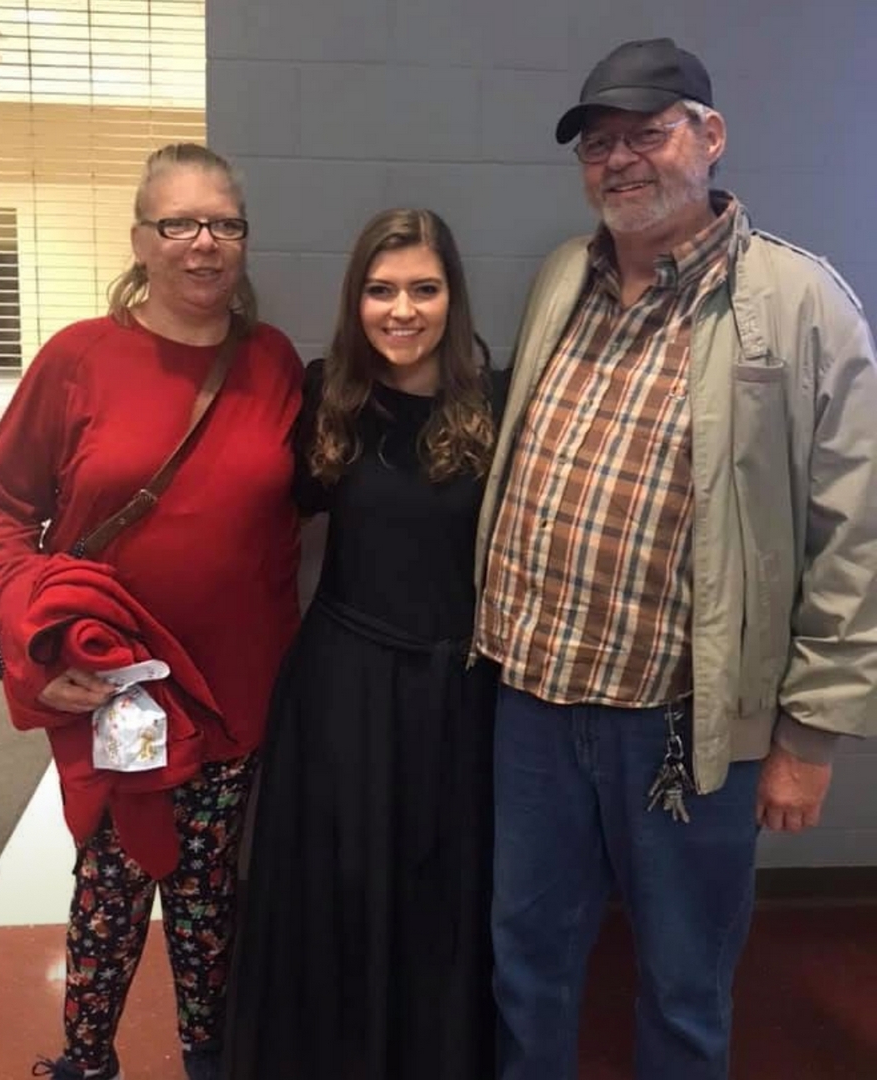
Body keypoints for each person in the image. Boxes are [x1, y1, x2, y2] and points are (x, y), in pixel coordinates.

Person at [472, 36, 877, 1080]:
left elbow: (856, 535)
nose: (619, 161)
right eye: (597, 144)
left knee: (685, 983)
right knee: (526, 959)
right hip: (534, 702)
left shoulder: (800, 302)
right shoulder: (566, 275)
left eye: (645, 134)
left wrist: (811, 734)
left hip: (683, 727)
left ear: (710, 136)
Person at [0, 143, 304, 1080]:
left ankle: (209, 1059)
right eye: (179, 223)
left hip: (232, 689)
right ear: (141, 239)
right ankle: (86, 1060)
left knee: (206, 892)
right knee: (111, 882)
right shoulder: (79, 358)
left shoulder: (272, 361)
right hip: (113, 687)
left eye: (225, 223)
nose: (204, 243)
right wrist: (36, 638)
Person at [222, 208, 506, 1080]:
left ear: (453, 297)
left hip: (456, 693)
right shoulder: (328, 396)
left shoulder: (497, 404)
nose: (402, 310)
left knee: (441, 899)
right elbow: (245, 502)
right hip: (342, 690)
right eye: (381, 291)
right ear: (356, 299)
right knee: (337, 894)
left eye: (424, 289)